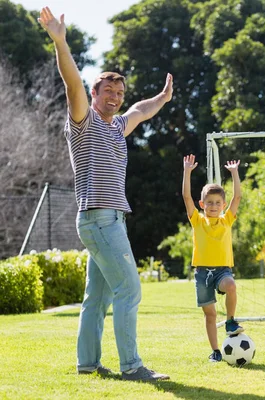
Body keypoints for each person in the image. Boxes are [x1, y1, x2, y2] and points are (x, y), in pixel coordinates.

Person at [38, 7, 173, 381]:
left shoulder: (116, 128)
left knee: (97, 298)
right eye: (107, 91)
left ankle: (87, 363)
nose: (114, 97)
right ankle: (132, 366)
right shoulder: (84, 121)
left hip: (108, 219)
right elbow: (72, 85)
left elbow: (140, 111)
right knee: (130, 289)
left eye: (119, 92)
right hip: (99, 218)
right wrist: (60, 42)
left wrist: (161, 98)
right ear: (95, 94)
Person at [182, 154, 244, 362]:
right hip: (201, 273)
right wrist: (187, 171)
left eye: (218, 202)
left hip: (222, 271)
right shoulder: (197, 221)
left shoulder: (227, 219)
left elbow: (237, 198)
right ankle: (216, 351)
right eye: (210, 203)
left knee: (231, 286)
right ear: (202, 204)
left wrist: (234, 173)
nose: (214, 206)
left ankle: (231, 321)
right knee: (209, 315)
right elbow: (186, 198)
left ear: (223, 204)